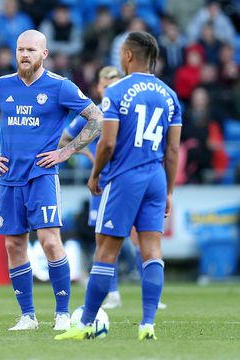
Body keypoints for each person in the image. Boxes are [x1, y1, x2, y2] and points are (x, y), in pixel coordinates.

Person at [0, 30, 103, 331]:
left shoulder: (60, 87)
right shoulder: (1, 86)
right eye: (19, 49)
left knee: (49, 242)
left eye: (30, 49)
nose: (24, 55)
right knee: (14, 245)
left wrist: (66, 151)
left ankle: (63, 314)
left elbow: (97, 118)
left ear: (44, 54)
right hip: (10, 179)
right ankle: (28, 316)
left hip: (42, 176)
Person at [56, 31, 182, 341]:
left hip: (125, 177)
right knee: (152, 251)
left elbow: (108, 141)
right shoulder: (170, 95)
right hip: (155, 177)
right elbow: (173, 151)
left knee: (106, 251)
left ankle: (85, 322)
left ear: (127, 56)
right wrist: (168, 191)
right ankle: (147, 324)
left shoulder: (116, 91)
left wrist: (96, 174)